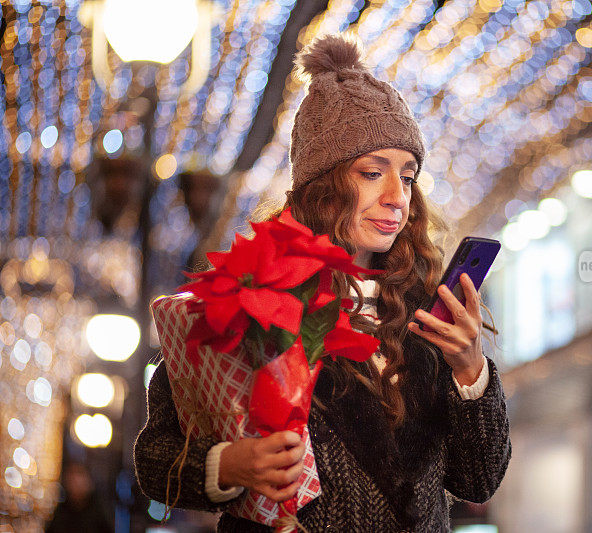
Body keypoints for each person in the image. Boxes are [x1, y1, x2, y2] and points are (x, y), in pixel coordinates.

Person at [134, 33, 511, 532]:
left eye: (408, 175)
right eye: (373, 173)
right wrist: (227, 465)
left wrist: (471, 370)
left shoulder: (427, 309)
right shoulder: (249, 294)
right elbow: (157, 458)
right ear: (324, 185)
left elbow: (479, 482)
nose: (398, 196)